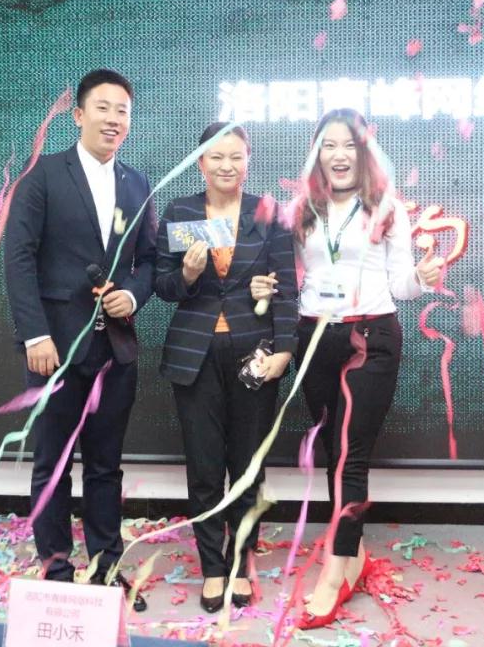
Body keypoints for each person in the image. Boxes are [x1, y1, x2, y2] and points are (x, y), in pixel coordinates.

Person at [4, 69, 157, 611]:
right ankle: (56, 571)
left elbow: (149, 261)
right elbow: (18, 259)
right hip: (54, 351)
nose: (114, 119)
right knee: (52, 465)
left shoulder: (137, 184)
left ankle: (106, 566)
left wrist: (132, 295)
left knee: (105, 466)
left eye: (123, 111)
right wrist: (35, 334)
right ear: (78, 115)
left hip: (115, 351)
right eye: (103, 108)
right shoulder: (43, 176)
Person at [285, 109, 442, 629]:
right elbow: (292, 278)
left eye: (349, 145)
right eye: (329, 145)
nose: (339, 155)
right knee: (333, 452)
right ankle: (353, 558)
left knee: (350, 459)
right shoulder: (301, 210)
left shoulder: (387, 208)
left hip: (370, 339)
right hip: (314, 338)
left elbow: (401, 286)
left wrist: (421, 277)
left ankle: (333, 575)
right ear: (317, 153)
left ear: (365, 152)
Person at [154, 123, 298, 612]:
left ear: (247, 161)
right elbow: (163, 286)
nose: (226, 165)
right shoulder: (180, 213)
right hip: (194, 354)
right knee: (203, 466)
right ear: (200, 163)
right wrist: (188, 273)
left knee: (247, 466)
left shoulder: (268, 214)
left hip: (253, 354)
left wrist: (284, 350)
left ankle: (241, 561)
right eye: (216, 157)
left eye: (236, 156)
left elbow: (286, 289)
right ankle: (212, 567)